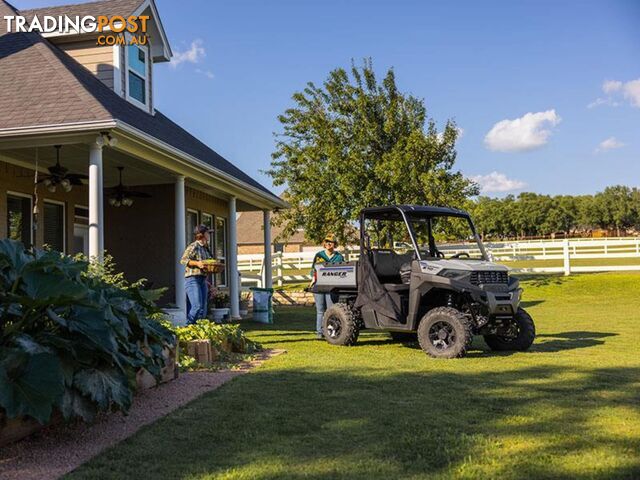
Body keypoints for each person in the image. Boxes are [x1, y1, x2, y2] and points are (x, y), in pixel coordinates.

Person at [310, 234, 345, 338]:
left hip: (332, 287)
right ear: (324, 243)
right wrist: (312, 280)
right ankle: (320, 333)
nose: (329, 244)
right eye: (327, 241)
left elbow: (343, 271)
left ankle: (330, 332)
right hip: (319, 285)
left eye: (331, 242)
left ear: (334, 244)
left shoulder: (339, 256)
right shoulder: (319, 255)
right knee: (320, 311)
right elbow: (314, 270)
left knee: (331, 310)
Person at [180, 225, 213, 324]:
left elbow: (208, 264)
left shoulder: (206, 248)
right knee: (197, 306)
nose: (209, 235)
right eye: (208, 233)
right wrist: (197, 263)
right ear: (202, 234)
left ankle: (197, 332)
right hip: (192, 279)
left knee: (203, 309)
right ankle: (187, 328)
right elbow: (183, 260)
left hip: (202, 279)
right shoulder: (194, 246)